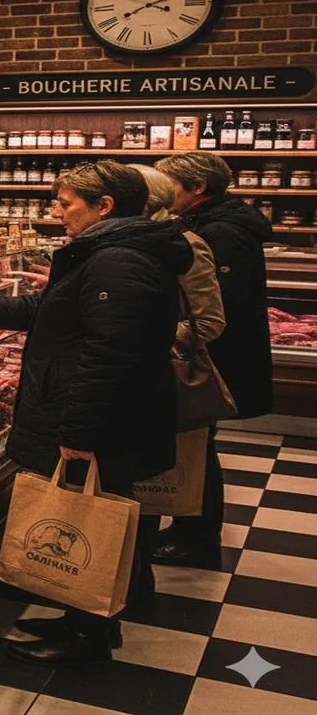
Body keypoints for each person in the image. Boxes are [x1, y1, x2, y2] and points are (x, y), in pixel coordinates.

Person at [0, 161, 192, 666]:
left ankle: (87, 639)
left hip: (104, 421)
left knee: (90, 516)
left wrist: (79, 432)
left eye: (65, 204)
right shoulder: (109, 252)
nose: (56, 213)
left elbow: (110, 354)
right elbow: (41, 314)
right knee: (96, 512)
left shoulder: (117, 260)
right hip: (110, 415)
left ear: (104, 206)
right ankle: (91, 621)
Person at [153, 152, 273, 567]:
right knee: (196, 446)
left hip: (213, 359)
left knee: (199, 447)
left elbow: (218, 307)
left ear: (197, 187)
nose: (164, 193)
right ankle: (188, 528)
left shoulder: (221, 231)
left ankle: (199, 538)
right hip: (208, 355)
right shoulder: (212, 222)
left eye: (169, 184)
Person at [131, 164, 231, 564]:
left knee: (182, 462)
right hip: (137, 376)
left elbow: (209, 321)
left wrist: (138, 340)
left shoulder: (184, 243)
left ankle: (196, 539)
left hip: (167, 376)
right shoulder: (131, 240)